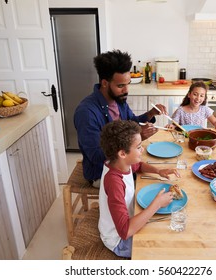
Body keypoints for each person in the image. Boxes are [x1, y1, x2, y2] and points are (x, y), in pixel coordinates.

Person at [74, 49, 168, 187]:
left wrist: (151, 113)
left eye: (128, 83)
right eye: (121, 86)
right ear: (105, 83)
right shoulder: (86, 113)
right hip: (102, 172)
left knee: (161, 171)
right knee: (150, 185)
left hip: (124, 162)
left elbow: (132, 122)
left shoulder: (118, 100)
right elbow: (96, 155)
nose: (126, 90)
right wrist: (136, 139)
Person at [98, 120, 180, 258]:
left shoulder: (121, 163)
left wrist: (159, 171)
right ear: (122, 153)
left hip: (130, 219)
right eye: (139, 147)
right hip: (119, 240)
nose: (142, 149)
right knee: (168, 246)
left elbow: (139, 166)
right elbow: (125, 231)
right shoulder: (114, 183)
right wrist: (157, 204)